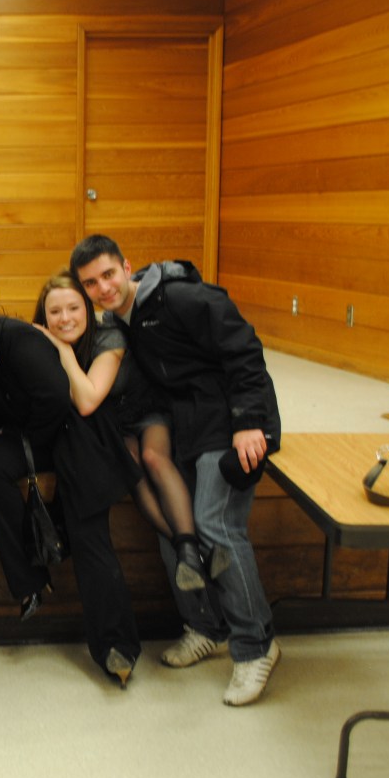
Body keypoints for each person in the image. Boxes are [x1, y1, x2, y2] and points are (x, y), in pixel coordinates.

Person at [70, 234, 282, 706]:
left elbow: (244, 349)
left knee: (215, 524)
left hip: (231, 423)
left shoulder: (182, 297)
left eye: (109, 275)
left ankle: (256, 645)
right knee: (174, 528)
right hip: (186, 425)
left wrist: (249, 422)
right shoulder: (119, 321)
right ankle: (207, 627)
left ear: (127, 267)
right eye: (91, 283)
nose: (103, 288)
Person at [0, 266, 141, 687]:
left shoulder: (12, 336)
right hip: (35, 436)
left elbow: (55, 400)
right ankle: (29, 581)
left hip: (72, 432)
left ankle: (117, 647)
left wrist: (26, 443)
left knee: (87, 531)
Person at [33, 270, 225, 591]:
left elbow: (87, 399)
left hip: (145, 408)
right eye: (55, 312)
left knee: (153, 457)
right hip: (113, 425)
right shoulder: (41, 343)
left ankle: (192, 551)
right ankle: (193, 552)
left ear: (87, 309)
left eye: (73, 308)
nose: (64, 318)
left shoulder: (108, 336)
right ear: (44, 315)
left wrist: (64, 353)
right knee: (132, 468)